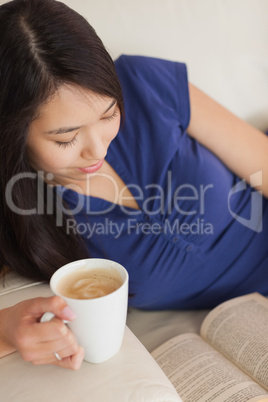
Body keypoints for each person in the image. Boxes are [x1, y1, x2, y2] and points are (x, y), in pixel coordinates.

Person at [0, 0, 267, 370]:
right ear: (14, 136)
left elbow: (263, 165)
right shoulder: (21, 210)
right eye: (66, 138)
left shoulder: (143, 82)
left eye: (109, 114)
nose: (98, 149)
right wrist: (6, 331)